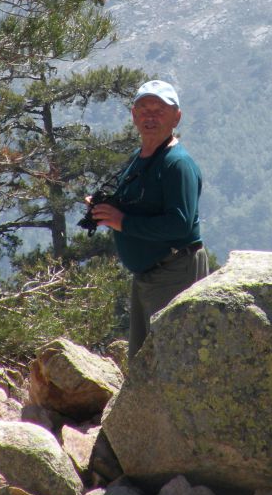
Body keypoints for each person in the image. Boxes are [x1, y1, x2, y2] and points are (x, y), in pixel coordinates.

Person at [89, 79, 208, 358]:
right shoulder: (140, 157)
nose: (150, 116)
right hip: (149, 275)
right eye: (144, 109)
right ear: (134, 116)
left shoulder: (177, 164)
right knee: (145, 362)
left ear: (176, 117)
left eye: (159, 110)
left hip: (176, 271)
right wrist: (106, 209)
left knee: (174, 360)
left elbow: (180, 224)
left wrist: (123, 222)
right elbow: (137, 205)